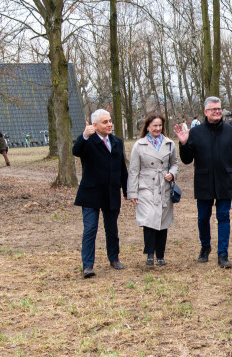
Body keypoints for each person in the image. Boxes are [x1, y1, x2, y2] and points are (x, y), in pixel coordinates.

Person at [174, 96, 232, 269]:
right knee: (203, 218)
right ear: (206, 112)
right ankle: (205, 247)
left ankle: (223, 254)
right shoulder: (196, 133)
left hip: (226, 181)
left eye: (219, 108)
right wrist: (183, 144)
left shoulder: (231, 132)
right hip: (204, 181)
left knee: (223, 217)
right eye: (213, 109)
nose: (217, 111)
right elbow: (187, 160)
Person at [73, 108, 129, 278]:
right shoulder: (87, 141)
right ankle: (88, 265)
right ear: (95, 125)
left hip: (112, 192)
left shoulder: (117, 142)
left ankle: (114, 258)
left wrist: (127, 190)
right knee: (90, 229)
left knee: (112, 229)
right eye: (105, 122)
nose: (110, 124)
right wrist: (84, 136)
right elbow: (76, 151)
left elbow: (122, 169)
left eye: (110, 121)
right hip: (91, 193)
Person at [128, 114, 179, 267]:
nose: (157, 128)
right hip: (146, 187)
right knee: (149, 220)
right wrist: (132, 192)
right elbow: (133, 170)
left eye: (160, 125)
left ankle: (161, 255)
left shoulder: (169, 144)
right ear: (148, 127)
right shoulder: (139, 145)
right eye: (154, 125)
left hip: (163, 186)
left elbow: (175, 163)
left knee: (163, 221)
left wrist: (172, 174)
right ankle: (150, 253)